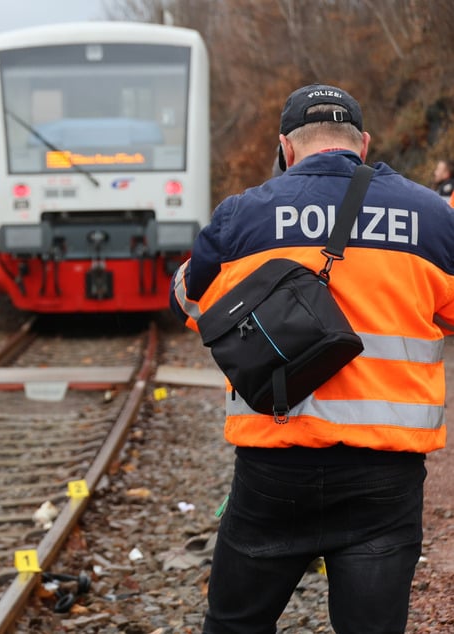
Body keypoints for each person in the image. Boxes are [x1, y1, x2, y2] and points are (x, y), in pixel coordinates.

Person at [170, 83, 454, 633]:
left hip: (274, 468)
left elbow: (188, 300)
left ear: (286, 147)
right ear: (363, 144)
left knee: (235, 625)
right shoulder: (432, 218)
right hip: (385, 479)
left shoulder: (241, 217)